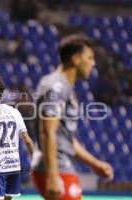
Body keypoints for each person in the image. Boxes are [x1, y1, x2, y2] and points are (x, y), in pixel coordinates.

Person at [32, 34, 114, 200]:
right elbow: (48, 132)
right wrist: (53, 176)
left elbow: (64, 137)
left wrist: (95, 164)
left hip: (61, 166)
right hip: (56, 168)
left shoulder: (63, 87)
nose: (93, 63)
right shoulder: (56, 86)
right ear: (76, 59)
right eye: (90, 58)